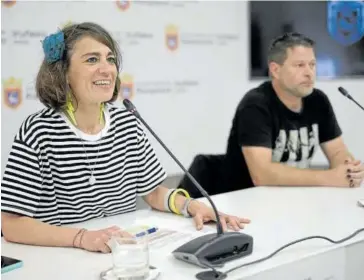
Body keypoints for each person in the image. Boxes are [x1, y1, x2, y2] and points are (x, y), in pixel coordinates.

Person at [1, 22, 250, 253]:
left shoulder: (127, 123)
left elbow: (153, 193)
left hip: (119, 254)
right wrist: (82, 238)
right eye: (92, 59)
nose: (107, 68)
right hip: (61, 256)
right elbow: (10, 224)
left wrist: (191, 206)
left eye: (110, 59)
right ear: (63, 73)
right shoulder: (38, 131)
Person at [222, 32, 364, 192]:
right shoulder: (255, 105)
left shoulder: (318, 100)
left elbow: (337, 150)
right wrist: (330, 177)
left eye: (312, 64)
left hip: (297, 198)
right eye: (300, 65)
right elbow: (262, 175)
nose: (309, 73)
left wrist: (349, 169)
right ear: (275, 70)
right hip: (248, 203)